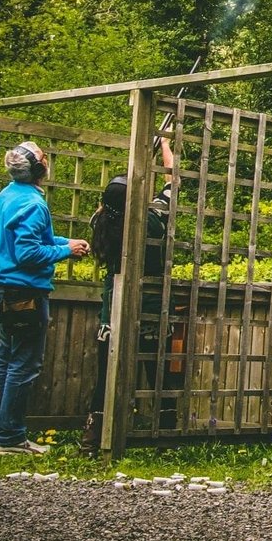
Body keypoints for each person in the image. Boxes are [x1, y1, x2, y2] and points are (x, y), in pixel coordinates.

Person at [0, 141, 90, 454]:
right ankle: (11, 438)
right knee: (24, 365)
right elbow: (28, 253)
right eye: (44, 157)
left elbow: (32, 238)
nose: (47, 159)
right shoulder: (33, 203)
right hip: (24, 291)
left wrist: (64, 242)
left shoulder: (9, 194)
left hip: (3, 289)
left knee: (6, 362)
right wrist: (64, 252)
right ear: (39, 168)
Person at [79, 138, 177, 455]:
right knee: (159, 373)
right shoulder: (151, 220)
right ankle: (165, 435)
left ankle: (92, 439)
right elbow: (172, 181)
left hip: (113, 310)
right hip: (149, 306)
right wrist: (164, 144)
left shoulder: (101, 223)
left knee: (106, 379)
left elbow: (109, 204)